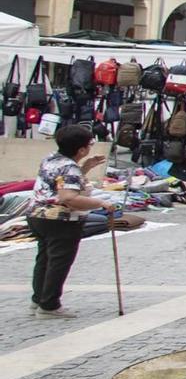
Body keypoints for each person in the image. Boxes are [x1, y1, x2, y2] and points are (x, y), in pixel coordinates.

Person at [27, 124, 110, 318]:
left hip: (37, 216)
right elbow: (68, 197)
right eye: (89, 144)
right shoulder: (69, 168)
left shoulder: (51, 159)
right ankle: (49, 305)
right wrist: (101, 203)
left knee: (45, 258)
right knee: (58, 261)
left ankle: (39, 298)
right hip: (59, 219)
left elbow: (61, 182)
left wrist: (85, 168)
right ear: (81, 149)